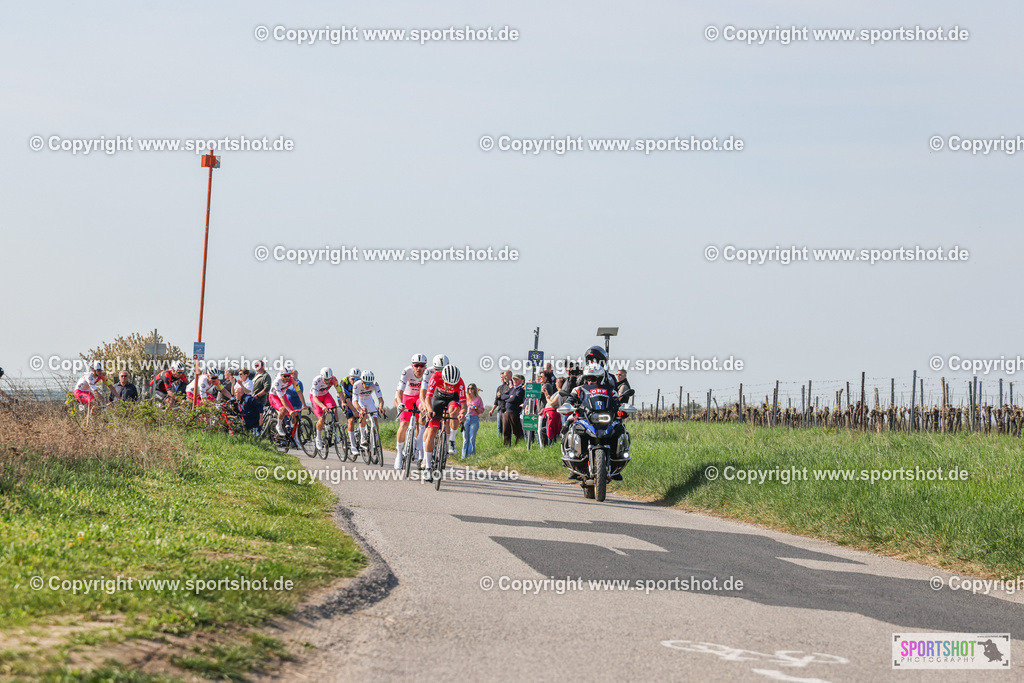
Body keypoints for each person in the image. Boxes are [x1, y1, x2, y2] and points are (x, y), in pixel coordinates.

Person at [563, 363, 623, 479]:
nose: (590, 381)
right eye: (588, 379)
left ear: (600, 379)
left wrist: (622, 408)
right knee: (567, 425)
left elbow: (617, 402)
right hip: (584, 418)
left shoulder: (611, 391)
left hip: (605, 419)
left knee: (620, 428)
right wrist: (568, 405)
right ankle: (572, 459)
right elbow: (570, 400)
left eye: (593, 379)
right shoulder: (578, 389)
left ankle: (616, 462)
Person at [423, 364, 466, 475]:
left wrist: (462, 414)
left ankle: (451, 440)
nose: (449, 387)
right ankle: (427, 467)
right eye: (447, 384)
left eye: (453, 384)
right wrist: (429, 410)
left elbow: (464, 405)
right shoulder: (436, 377)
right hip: (438, 398)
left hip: (453, 399)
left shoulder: (460, 383)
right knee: (431, 431)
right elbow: (428, 398)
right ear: (443, 378)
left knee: (454, 411)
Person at [395, 353, 428, 470]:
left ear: (425, 366)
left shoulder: (427, 373)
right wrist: (400, 403)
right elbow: (400, 392)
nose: (419, 368)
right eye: (416, 365)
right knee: (404, 424)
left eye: (422, 366)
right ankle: (399, 454)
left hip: (419, 398)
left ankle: (418, 444)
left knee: (423, 412)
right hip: (407, 397)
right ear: (412, 366)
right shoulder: (407, 371)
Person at [352, 370, 386, 450]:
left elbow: (380, 399)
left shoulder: (375, 384)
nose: (368, 385)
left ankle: (375, 441)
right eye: (366, 383)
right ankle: (363, 438)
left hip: (368, 399)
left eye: (370, 383)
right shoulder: (356, 385)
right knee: (364, 412)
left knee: (375, 420)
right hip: (360, 400)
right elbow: (355, 401)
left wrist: (381, 407)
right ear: (362, 381)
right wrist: (360, 410)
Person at [309, 367, 341, 451]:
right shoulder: (316, 380)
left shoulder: (334, 379)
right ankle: (318, 438)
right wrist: (323, 406)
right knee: (322, 418)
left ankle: (336, 435)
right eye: (325, 380)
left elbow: (339, 391)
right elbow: (315, 398)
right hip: (316, 398)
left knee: (335, 410)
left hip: (326, 395)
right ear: (321, 377)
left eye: (329, 379)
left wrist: (343, 401)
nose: (327, 381)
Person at [269, 370, 302, 446]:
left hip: (284, 396)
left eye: (288, 375)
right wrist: (289, 410)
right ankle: (279, 425)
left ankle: (294, 437)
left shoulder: (292, 379)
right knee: (283, 409)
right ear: (281, 376)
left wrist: (304, 404)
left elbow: (299, 392)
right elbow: (282, 399)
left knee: (294, 416)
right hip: (274, 397)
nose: (287, 377)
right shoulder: (277, 382)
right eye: (285, 376)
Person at [340, 367, 362, 455]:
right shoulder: (344, 382)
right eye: (353, 379)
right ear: (349, 377)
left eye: (357, 379)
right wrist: (355, 411)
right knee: (351, 420)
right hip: (345, 399)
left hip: (355, 399)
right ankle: (353, 446)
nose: (355, 381)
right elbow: (347, 400)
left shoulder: (360, 383)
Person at [500, 374, 526, 446]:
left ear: (521, 381)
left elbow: (515, 398)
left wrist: (507, 400)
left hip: (514, 412)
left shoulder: (520, 389)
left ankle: (518, 445)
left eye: (517, 380)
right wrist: (509, 396)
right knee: (506, 430)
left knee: (516, 430)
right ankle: (506, 445)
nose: (515, 381)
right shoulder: (512, 389)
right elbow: (503, 396)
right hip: (507, 411)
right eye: (514, 379)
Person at [462, 383, 484, 456]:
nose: (470, 390)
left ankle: (470, 456)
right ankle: (463, 456)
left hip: (474, 418)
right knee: (465, 438)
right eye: (469, 388)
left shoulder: (478, 399)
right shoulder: (465, 398)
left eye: (472, 388)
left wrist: (476, 408)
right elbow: (461, 407)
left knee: (472, 438)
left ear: (475, 389)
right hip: (466, 417)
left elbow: (482, 410)